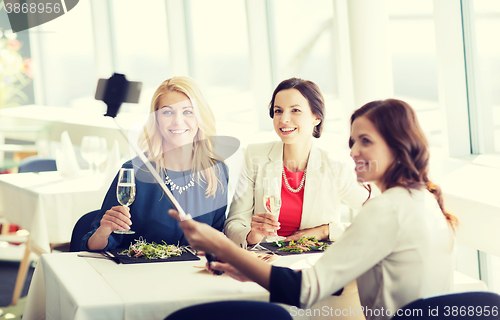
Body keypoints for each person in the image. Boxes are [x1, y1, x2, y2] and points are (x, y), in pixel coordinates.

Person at [169, 99, 458, 320]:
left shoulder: (387, 208)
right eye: (352, 141)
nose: (354, 151)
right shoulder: (422, 200)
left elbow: (306, 291)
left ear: (399, 146)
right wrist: (252, 269)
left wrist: (219, 244)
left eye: (366, 141)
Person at [82, 76, 228, 251]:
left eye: (187, 112)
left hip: (195, 273)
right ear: (156, 119)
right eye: (167, 112)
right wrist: (103, 232)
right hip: (139, 273)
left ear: (200, 117)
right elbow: (94, 246)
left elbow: (217, 233)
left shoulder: (216, 171)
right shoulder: (134, 171)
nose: (178, 121)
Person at [224, 78, 369, 248]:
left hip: (313, 262)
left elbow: (380, 219)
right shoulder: (254, 156)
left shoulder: (335, 167)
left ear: (316, 118)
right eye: (278, 111)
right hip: (266, 261)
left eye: (295, 110)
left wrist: (327, 231)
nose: (284, 119)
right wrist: (251, 234)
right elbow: (233, 224)